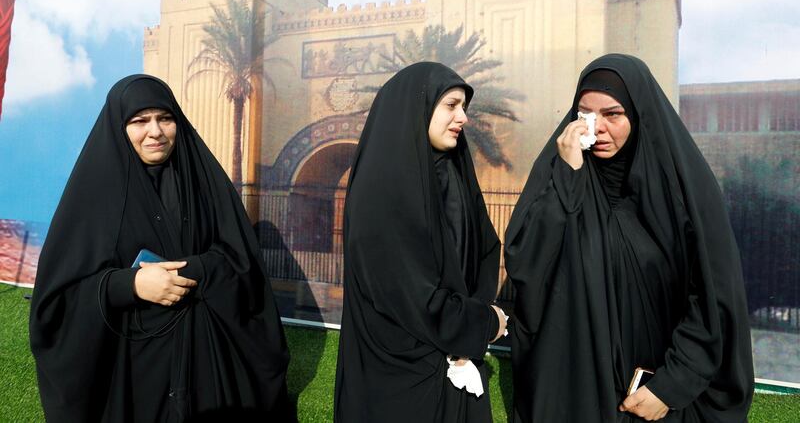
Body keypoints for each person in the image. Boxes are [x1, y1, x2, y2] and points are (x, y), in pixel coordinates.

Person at [504, 54, 754, 422]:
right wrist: (568, 181)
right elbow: (529, 265)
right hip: (576, 392)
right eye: (584, 114)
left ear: (638, 115)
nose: (596, 128)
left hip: (653, 398)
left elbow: (714, 296)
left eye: (612, 114)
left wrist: (670, 386)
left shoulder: (680, 193)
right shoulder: (562, 180)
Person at [29, 74, 293, 422]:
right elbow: (58, 301)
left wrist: (191, 270)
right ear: (119, 128)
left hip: (204, 358)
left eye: (165, 118)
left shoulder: (204, 184)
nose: (155, 131)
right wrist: (129, 285)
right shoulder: (92, 197)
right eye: (139, 121)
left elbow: (241, 261)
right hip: (129, 365)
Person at [334, 62, 507, 422]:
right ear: (418, 106)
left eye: (464, 107)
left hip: (454, 363)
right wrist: (482, 322)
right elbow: (407, 293)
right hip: (399, 377)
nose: (463, 117)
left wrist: (473, 312)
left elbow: (485, 250)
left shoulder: (453, 176)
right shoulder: (381, 191)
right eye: (451, 105)